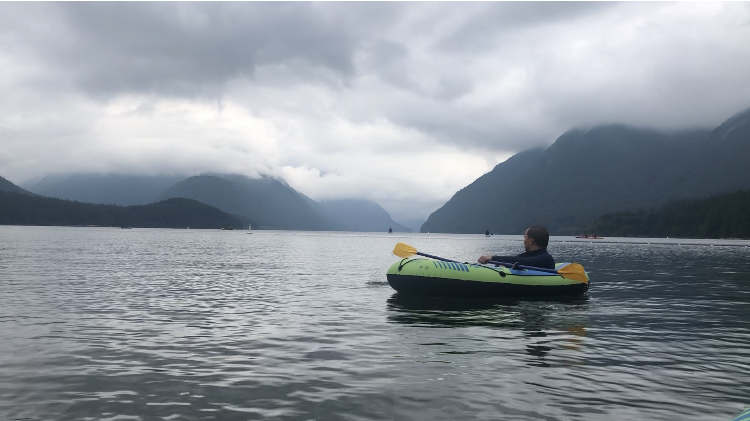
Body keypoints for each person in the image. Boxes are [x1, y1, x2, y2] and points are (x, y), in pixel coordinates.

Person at [478, 226, 555, 269]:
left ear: (531, 240)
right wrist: (503, 265)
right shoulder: (528, 255)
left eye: (525, 237)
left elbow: (520, 261)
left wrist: (493, 258)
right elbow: (515, 259)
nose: (524, 240)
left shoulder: (546, 259)